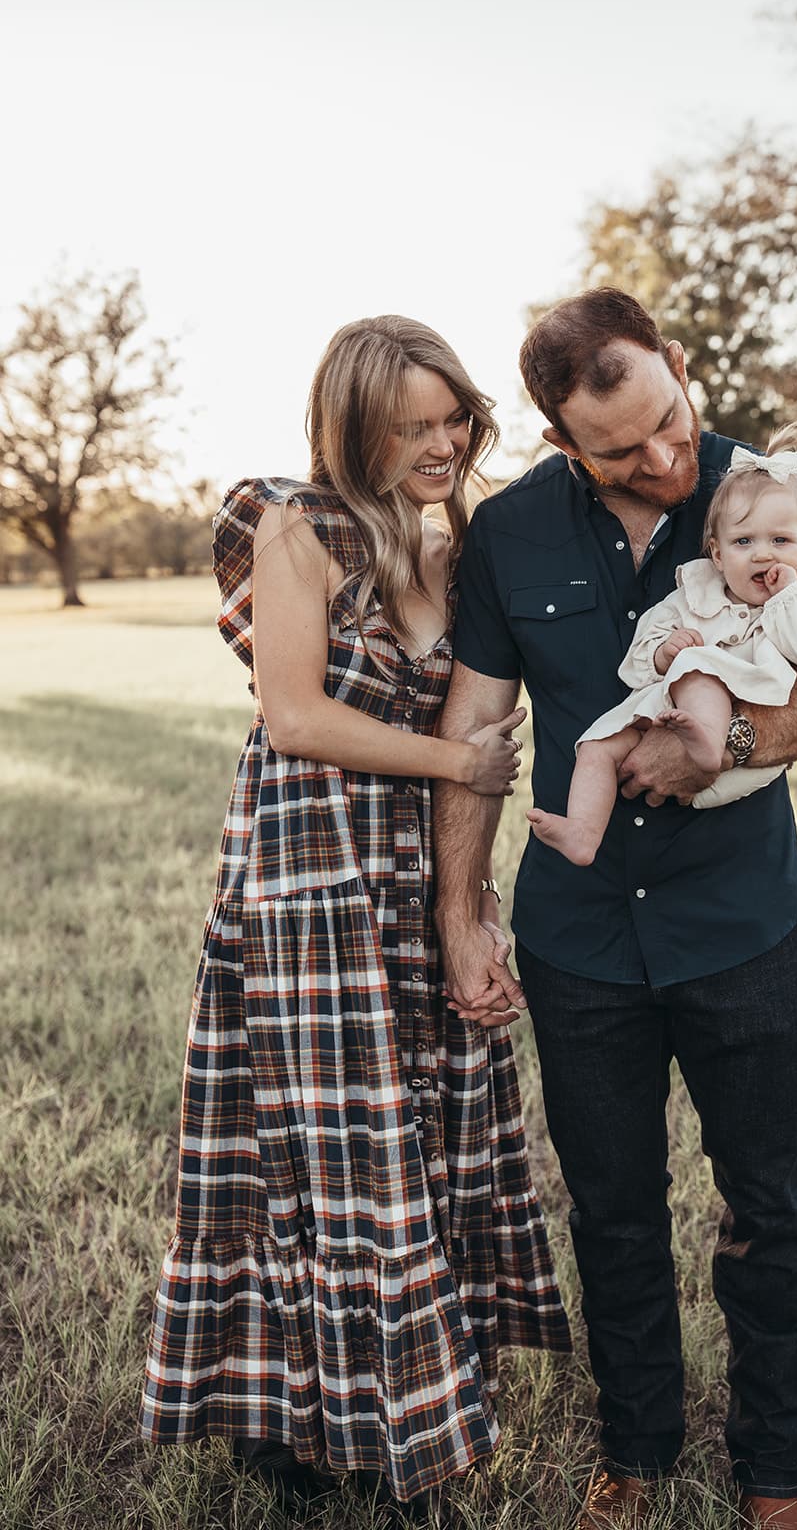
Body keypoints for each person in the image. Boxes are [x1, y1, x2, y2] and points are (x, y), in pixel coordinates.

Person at [432, 289, 797, 1530]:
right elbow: (478, 727)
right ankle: (632, 1448)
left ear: (680, 367)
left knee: (769, 1201)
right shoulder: (508, 535)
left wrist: (733, 738)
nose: (663, 458)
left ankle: (774, 1474)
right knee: (613, 1209)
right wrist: (457, 910)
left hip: (744, 925)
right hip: (580, 936)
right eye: (619, 447)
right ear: (558, 444)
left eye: (669, 417)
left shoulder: (770, 493)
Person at [140, 316, 570, 1521]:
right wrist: (454, 757)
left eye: (454, 420)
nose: (441, 443)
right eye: (414, 423)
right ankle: (297, 1422)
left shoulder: (463, 550)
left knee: (420, 1136)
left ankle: (409, 1414)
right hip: (309, 874)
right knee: (323, 1158)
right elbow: (294, 715)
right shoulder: (297, 524)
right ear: (354, 419)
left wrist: (467, 898)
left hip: (409, 871)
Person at [526, 432, 797, 865]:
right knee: (596, 746)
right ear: (718, 555)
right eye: (744, 542)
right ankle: (582, 833)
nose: (762, 556)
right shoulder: (697, 590)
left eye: (780, 542)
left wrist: (788, 594)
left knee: (698, 666)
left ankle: (706, 747)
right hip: (666, 710)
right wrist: (664, 652)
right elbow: (642, 651)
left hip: (744, 733)